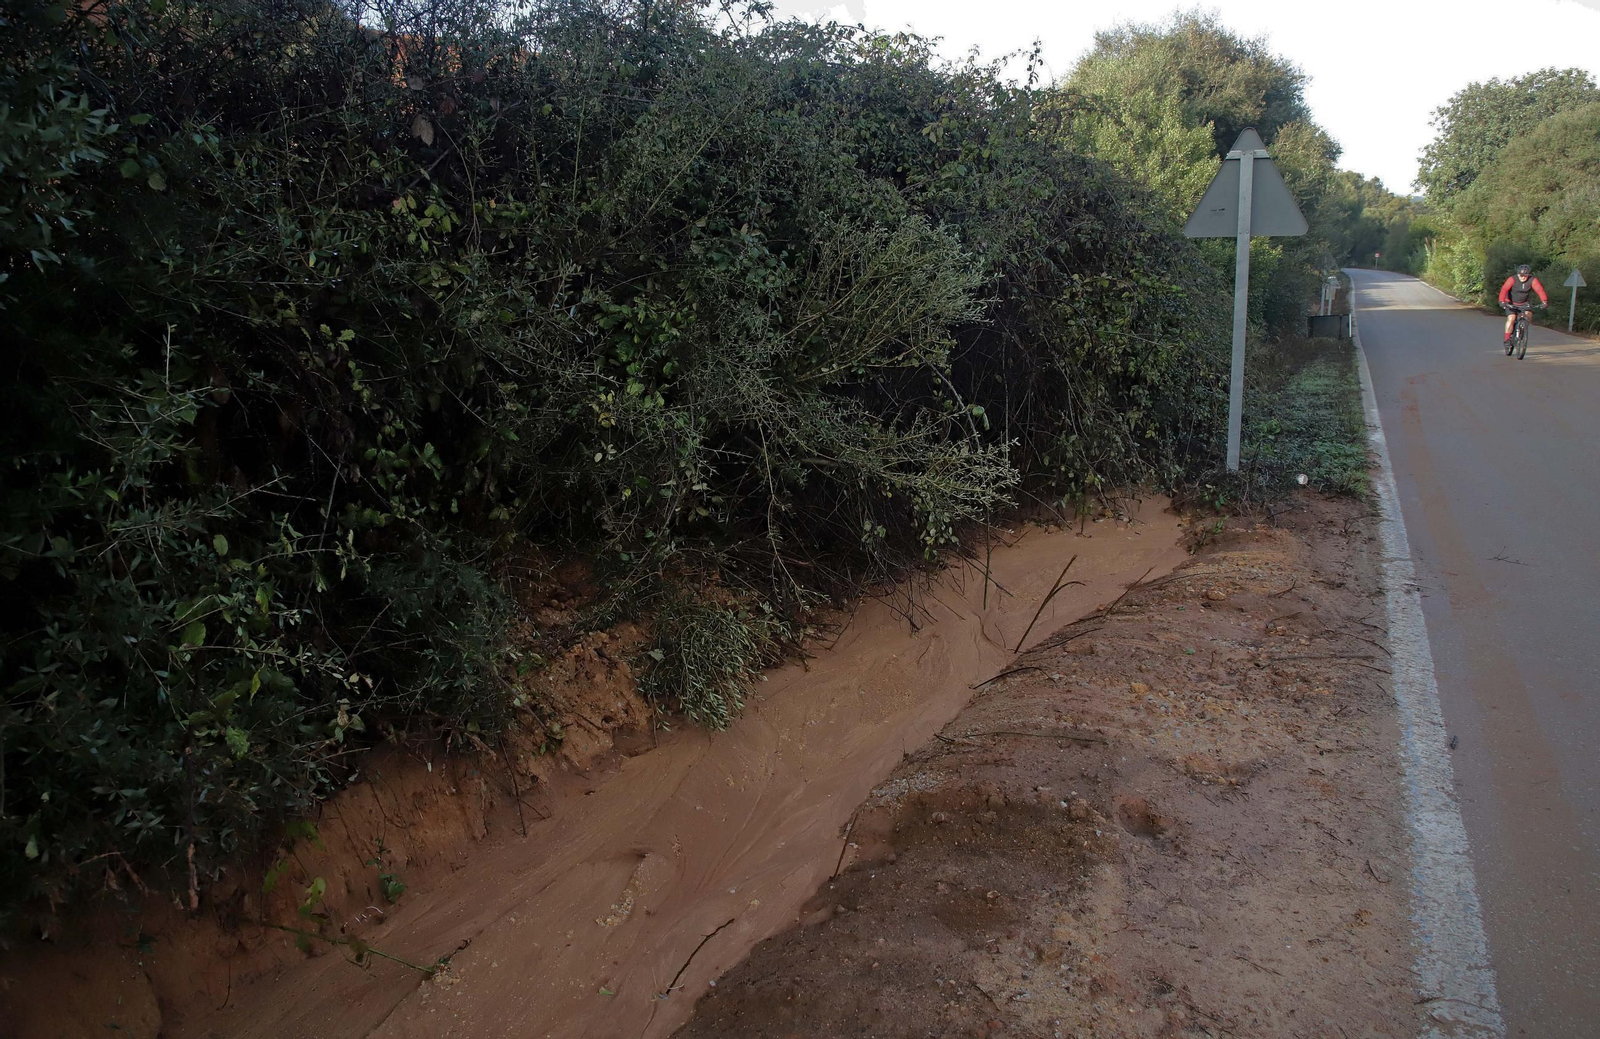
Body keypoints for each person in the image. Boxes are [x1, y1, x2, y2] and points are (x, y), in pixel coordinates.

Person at [1499, 264, 1549, 343]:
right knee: (1511, 318)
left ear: (1528, 275)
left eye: (1525, 275)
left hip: (1524, 303)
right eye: (1521, 275)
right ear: (1518, 274)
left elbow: (1539, 290)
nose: (1522, 277)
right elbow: (1504, 289)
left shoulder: (1532, 280)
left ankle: (1523, 329)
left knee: (1528, 315)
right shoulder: (1512, 279)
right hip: (1511, 302)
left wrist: (1544, 301)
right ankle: (1507, 339)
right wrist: (1502, 301)